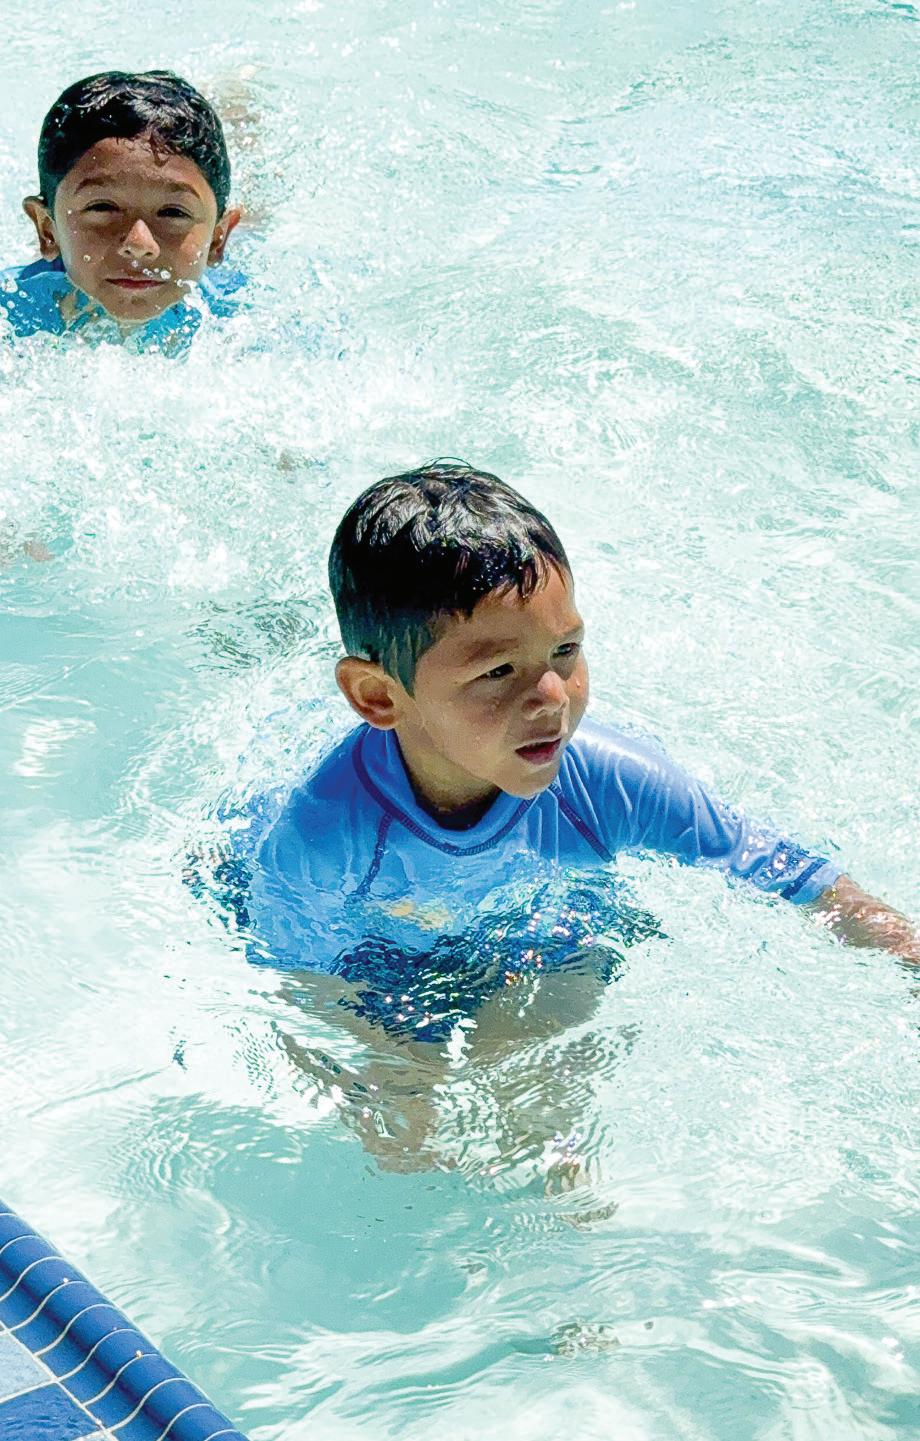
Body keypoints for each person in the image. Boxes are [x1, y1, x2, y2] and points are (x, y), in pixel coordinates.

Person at [222, 461, 918, 1073]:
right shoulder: (321, 832)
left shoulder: (607, 780)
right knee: (404, 1119)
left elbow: (792, 875)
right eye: (499, 671)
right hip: (379, 958)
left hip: (537, 939)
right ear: (379, 696)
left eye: (565, 652)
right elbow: (294, 979)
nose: (552, 697)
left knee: (556, 1031)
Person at [1, 70, 243, 352]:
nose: (138, 244)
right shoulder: (9, 312)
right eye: (102, 207)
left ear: (217, 239)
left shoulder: (243, 316)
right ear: (47, 230)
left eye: (173, 213)